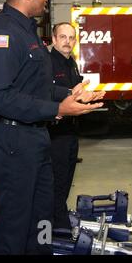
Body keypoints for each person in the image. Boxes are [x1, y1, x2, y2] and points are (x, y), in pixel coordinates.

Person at [0, 0, 104, 255]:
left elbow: (34, 86)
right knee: (13, 226)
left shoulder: (27, 32)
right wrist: (58, 108)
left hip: (33, 139)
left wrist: (71, 94)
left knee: (41, 220)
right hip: (11, 142)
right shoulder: (3, 34)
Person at [48, 22, 84, 229]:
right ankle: (57, 226)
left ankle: (59, 216)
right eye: (63, 37)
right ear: (54, 39)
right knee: (57, 181)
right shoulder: (47, 63)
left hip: (71, 131)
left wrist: (85, 95)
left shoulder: (71, 62)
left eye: (71, 38)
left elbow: (76, 89)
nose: (67, 42)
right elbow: (47, 93)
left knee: (66, 179)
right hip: (55, 133)